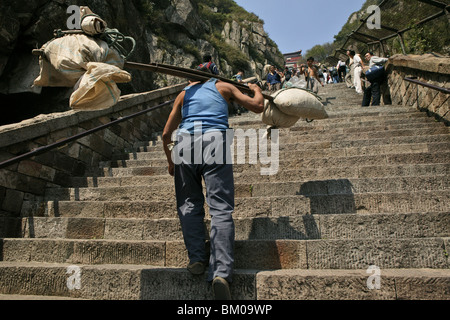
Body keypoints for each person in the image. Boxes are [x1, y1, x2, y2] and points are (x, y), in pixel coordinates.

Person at [162, 66, 264, 300]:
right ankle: (220, 272)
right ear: (213, 75)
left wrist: (170, 162)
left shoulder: (184, 94)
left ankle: (197, 259)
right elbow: (258, 106)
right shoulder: (223, 86)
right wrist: (256, 89)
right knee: (220, 209)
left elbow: (166, 134)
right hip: (215, 142)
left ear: (190, 79)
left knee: (188, 204)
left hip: (184, 146)